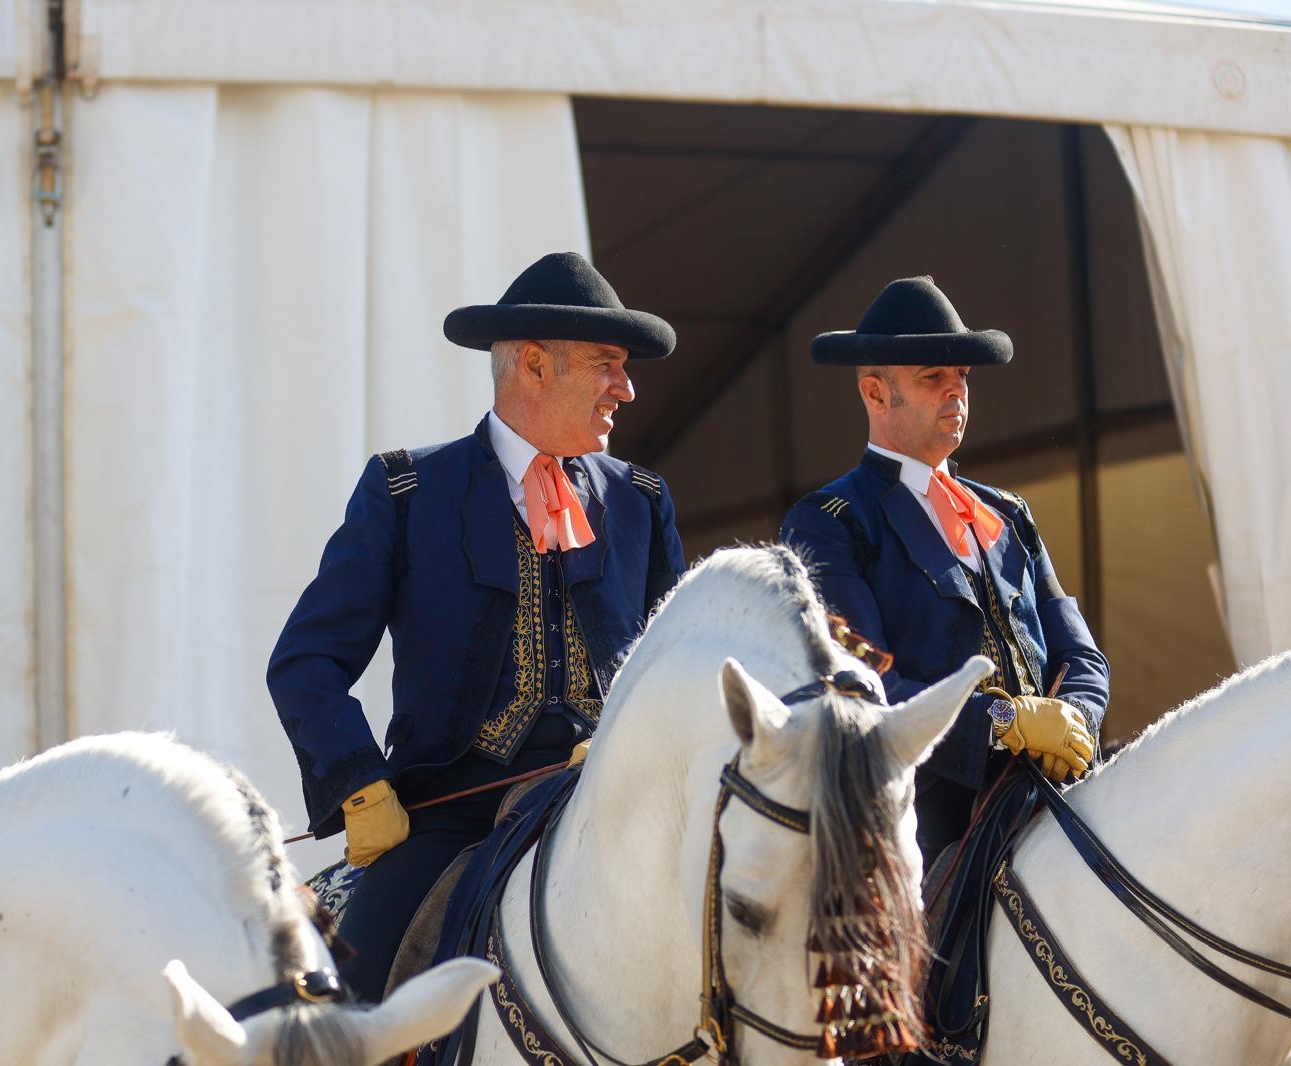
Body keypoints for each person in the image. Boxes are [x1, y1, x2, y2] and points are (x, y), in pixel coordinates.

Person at [268, 252, 685, 1001]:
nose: (626, 388)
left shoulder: (641, 500)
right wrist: (359, 784)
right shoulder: (406, 490)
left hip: (612, 797)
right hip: (448, 817)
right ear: (533, 365)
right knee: (351, 1011)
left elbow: (680, 668)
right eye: (606, 364)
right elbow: (306, 662)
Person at [780, 276, 1108, 865]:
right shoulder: (828, 523)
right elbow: (864, 686)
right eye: (934, 377)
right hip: (934, 831)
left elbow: (1079, 654)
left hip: (1062, 794)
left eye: (963, 377)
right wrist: (1004, 723)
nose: (956, 391)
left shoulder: (1007, 512)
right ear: (876, 395)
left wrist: (1073, 723)